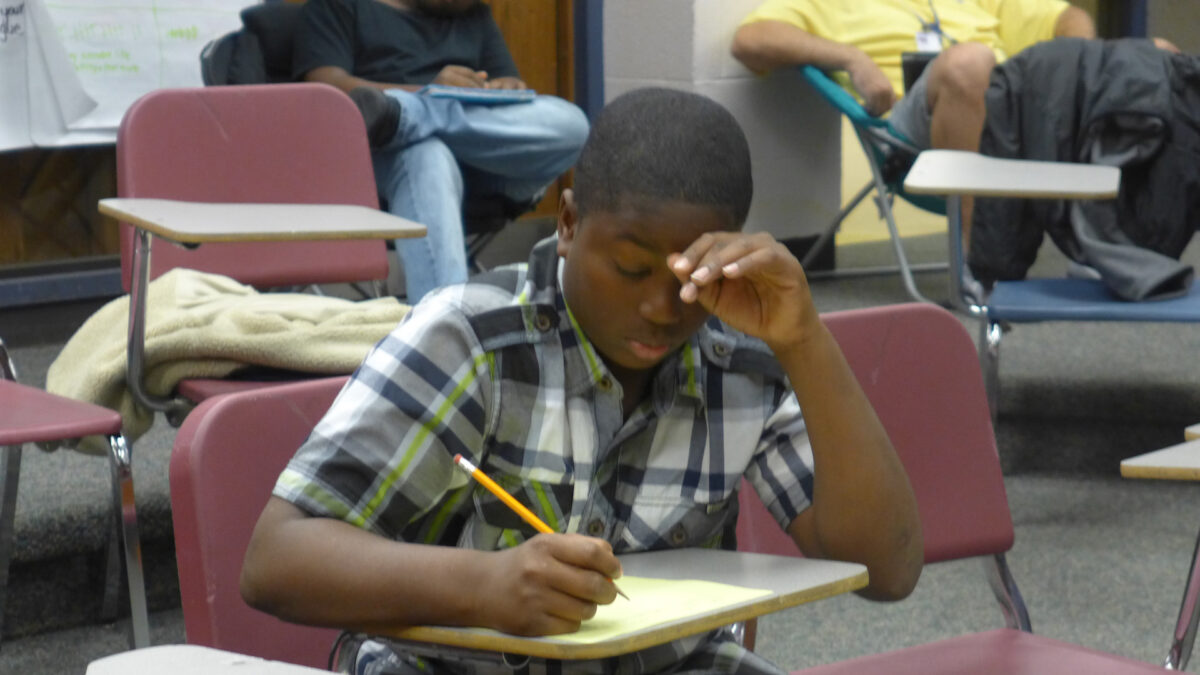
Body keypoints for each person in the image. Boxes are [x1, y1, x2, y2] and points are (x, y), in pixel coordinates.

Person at [239, 87, 923, 675]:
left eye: (691, 279)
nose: (661, 308)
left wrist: (805, 340)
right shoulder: (472, 336)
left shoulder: (739, 353)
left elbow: (886, 569)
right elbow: (277, 557)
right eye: (630, 269)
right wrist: (487, 584)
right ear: (567, 223)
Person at [293, 0, 590, 302]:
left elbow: (509, 88)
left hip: (484, 159)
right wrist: (427, 88)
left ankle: (408, 115)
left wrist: (505, 88)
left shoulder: (473, 14)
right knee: (428, 154)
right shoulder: (340, 6)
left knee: (574, 125)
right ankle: (444, 328)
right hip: (386, 166)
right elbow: (328, 90)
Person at [730, 0, 1096, 243]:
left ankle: (1122, 251)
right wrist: (852, 58)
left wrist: (1079, 59)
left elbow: (1067, 17)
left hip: (1019, 117)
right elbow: (750, 41)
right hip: (915, 131)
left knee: (1148, 57)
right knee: (968, 63)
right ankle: (981, 260)